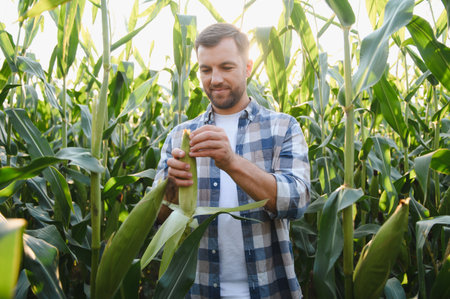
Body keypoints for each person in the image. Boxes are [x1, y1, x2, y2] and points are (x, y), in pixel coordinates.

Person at [153, 23, 310, 299]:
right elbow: (157, 221)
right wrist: (170, 189)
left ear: (247, 67)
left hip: (268, 289)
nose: (215, 79)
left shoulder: (283, 128)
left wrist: (231, 162)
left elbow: (296, 201)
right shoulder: (179, 136)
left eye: (226, 67)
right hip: (198, 290)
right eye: (206, 69)